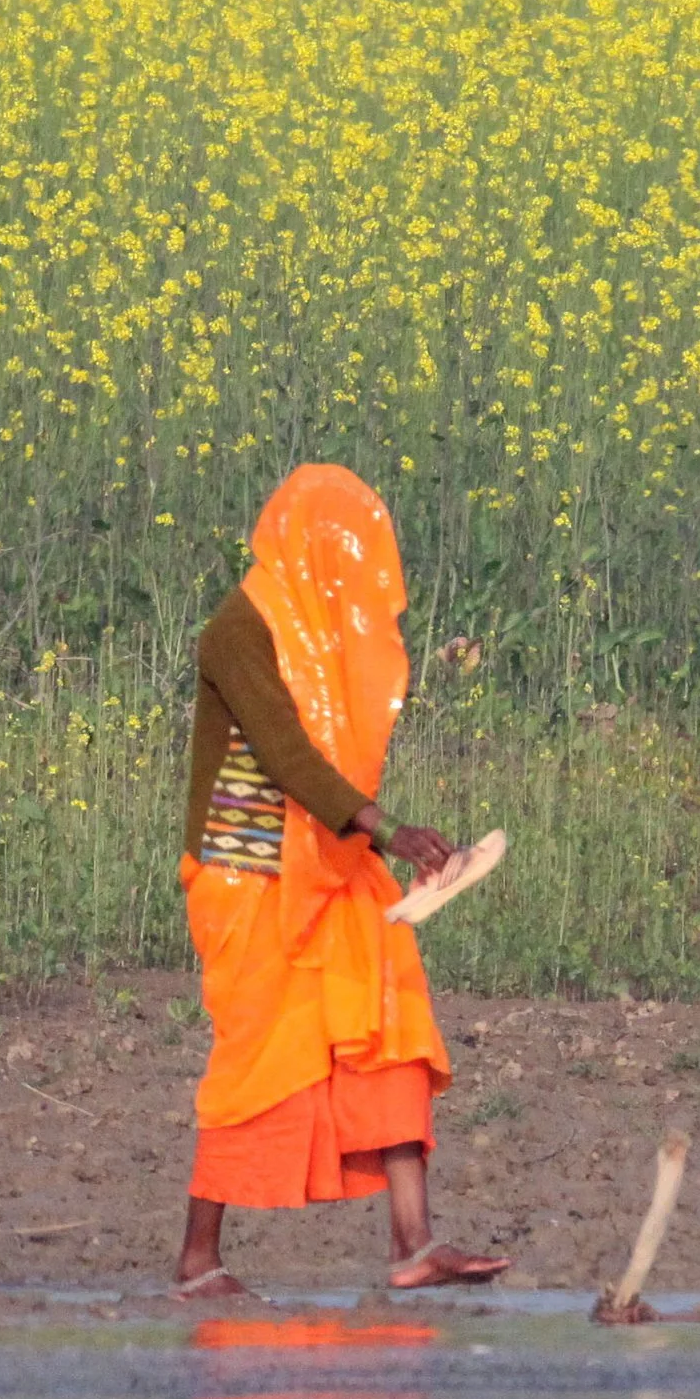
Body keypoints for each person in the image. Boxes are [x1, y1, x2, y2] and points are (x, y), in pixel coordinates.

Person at [173, 464, 510, 1299]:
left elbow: (331, 757)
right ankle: (196, 1261)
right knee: (255, 1057)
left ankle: (414, 1243)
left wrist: (379, 838)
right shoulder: (237, 631)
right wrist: (392, 832)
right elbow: (290, 760)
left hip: (326, 862)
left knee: (387, 1019)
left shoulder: (313, 637)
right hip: (247, 880)